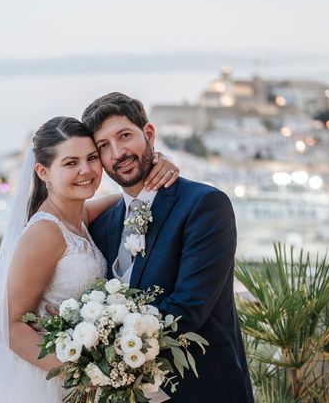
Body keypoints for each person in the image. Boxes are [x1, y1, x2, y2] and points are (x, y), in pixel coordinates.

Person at [0, 116, 179, 402]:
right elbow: (8, 327)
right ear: (43, 172)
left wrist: (157, 167)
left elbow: (127, 197)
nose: (86, 170)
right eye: (71, 163)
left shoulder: (78, 216)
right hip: (53, 382)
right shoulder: (45, 232)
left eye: (92, 158)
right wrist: (87, 374)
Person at [82, 93, 254, 403]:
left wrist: (101, 344)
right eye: (104, 146)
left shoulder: (204, 205)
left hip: (203, 391)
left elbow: (188, 309)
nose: (118, 153)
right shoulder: (102, 224)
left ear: (148, 134)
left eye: (124, 136)